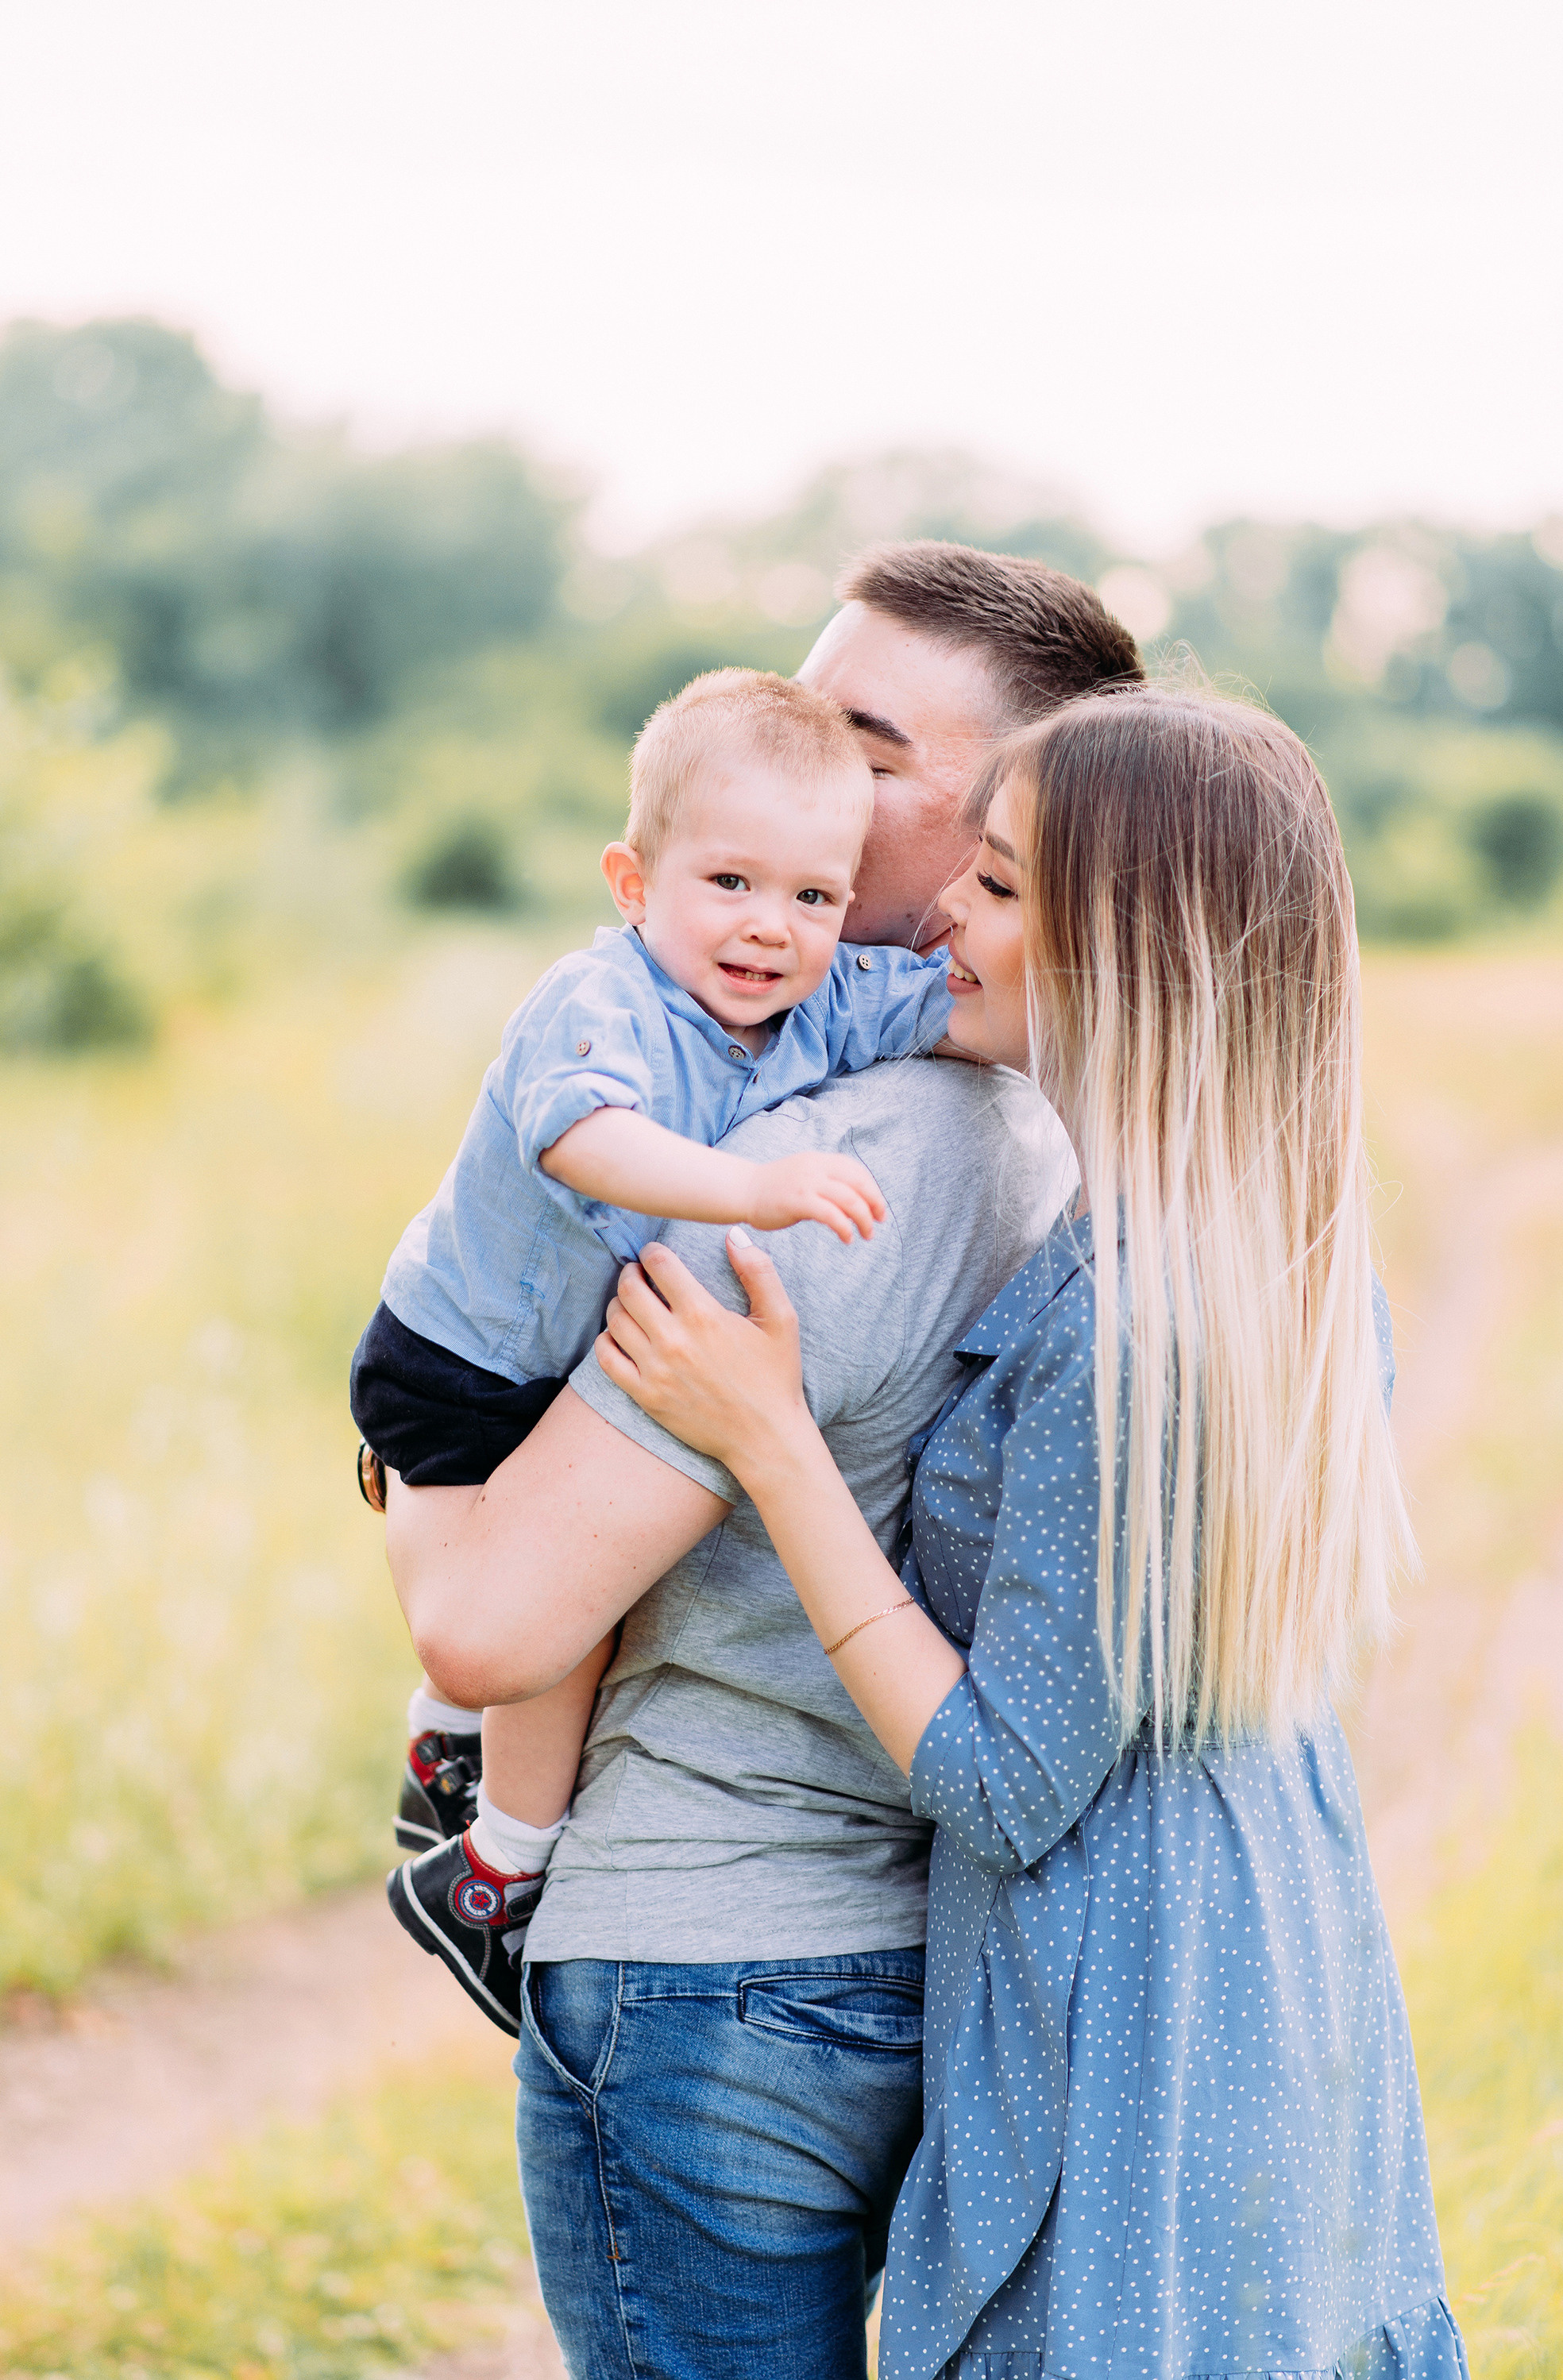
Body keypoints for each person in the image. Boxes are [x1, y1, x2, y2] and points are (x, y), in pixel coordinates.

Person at [593, 685, 1468, 2380]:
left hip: (1132, 2000)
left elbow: (1001, 1772)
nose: (941, 921)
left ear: (1123, 955)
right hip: (1247, 1941)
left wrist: (777, 1447)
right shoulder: (1245, 1248)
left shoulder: (1137, 1324)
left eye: (997, 889)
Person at [383, 542, 1143, 2380]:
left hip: (699, 1967)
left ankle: (480, 1851)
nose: (801, 748)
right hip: (915, 1952)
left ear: (1013, 803)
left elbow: (486, 1622)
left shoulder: (827, 1177)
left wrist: (403, 1436)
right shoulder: (1046, 1116)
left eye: (868, 742)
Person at [353, 668, 957, 2029]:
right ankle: (496, 1873)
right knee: (538, 1627)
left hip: (546, 1357)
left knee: (578, 1601)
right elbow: (582, 1135)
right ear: (634, 882)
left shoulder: (815, 1003)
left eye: (813, 897)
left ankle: (452, 1769)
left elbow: (941, 1004)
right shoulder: (601, 999)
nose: (771, 930)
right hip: (456, 1362)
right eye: (729, 883)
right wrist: (760, 1184)